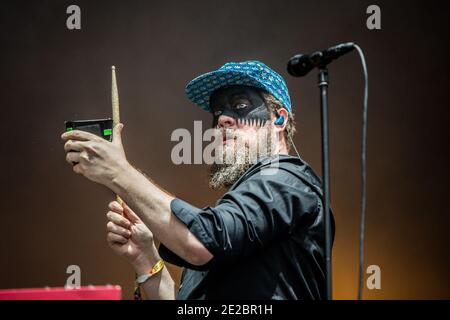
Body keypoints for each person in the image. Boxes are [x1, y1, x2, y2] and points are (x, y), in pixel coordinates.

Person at [61, 60, 334, 300]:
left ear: (279, 119)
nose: (223, 119)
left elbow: (201, 244)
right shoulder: (239, 214)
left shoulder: (285, 179)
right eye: (217, 113)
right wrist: (146, 257)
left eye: (240, 105)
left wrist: (119, 173)